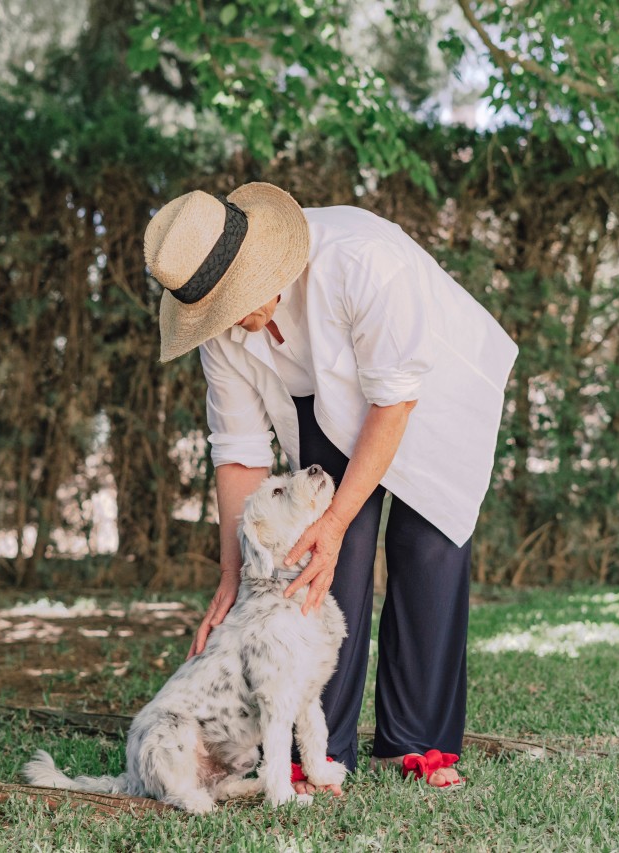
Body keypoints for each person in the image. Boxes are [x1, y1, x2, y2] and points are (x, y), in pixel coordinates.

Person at [145, 181, 517, 791]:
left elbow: (394, 402)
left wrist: (340, 521)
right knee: (309, 556)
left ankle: (416, 742)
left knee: (426, 548)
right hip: (320, 401)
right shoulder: (223, 332)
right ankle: (319, 747)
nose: (233, 319)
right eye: (215, 310)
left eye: (234, 299)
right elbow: (239, 454)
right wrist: (235, 575)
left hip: (429, 393)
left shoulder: (362, 260)